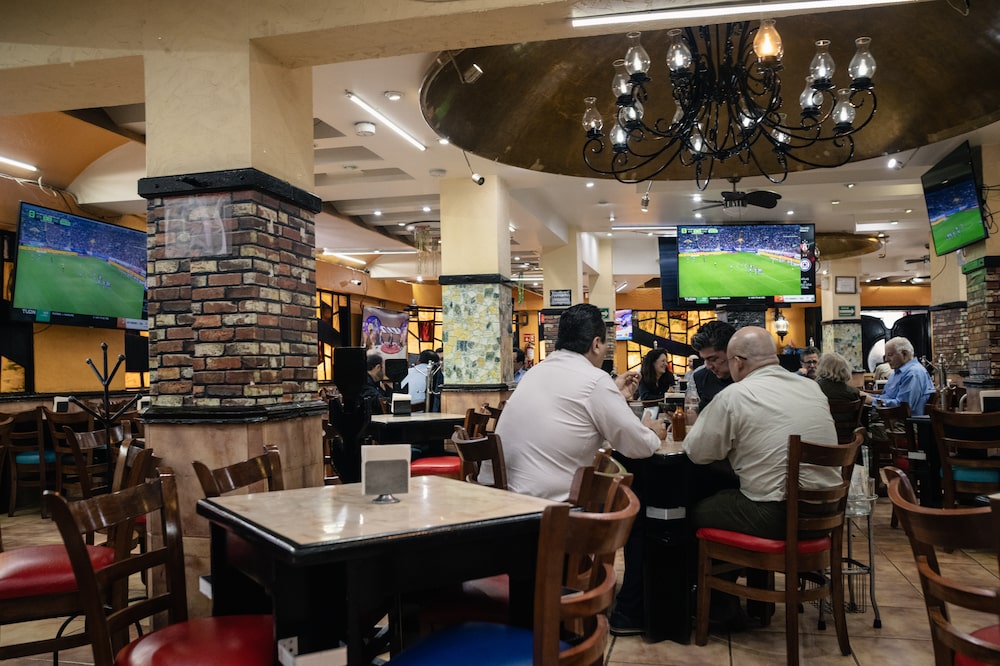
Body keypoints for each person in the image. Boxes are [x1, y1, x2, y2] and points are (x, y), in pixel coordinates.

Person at [492, 303, 664, 637]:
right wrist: (653, 430)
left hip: (504, 507)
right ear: (597, 344)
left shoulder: (538, 371)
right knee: (637, 508)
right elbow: (638, 446)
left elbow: (570, 418)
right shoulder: (594, 381)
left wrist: (613, 395)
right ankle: (627, 608)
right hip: (551, 516)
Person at [682, 326, 841, 626]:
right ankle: (747, 601)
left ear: (738, 362)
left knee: (700, 509)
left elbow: (696, 452)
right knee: (737, 499)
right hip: (827, 514)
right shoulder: (812, 387)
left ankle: (718, 605)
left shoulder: (736, 395)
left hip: (777, 515)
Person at [875, 336, 936, 416]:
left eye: (890, 355)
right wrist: (866, 397)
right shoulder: (896, 373)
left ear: (904, 354)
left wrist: (872, 401)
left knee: (862, 426)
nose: (886, 359)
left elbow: (903, 408)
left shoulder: (913, 373)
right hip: (892, 419)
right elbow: (887, 397)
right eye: (885, 356)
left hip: (905, 424)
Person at [690, 320, 736, 410]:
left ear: (731, 351)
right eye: (704, 359)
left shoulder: (752, 378)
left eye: (713, 359)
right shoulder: (700, 377)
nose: (708, 366)